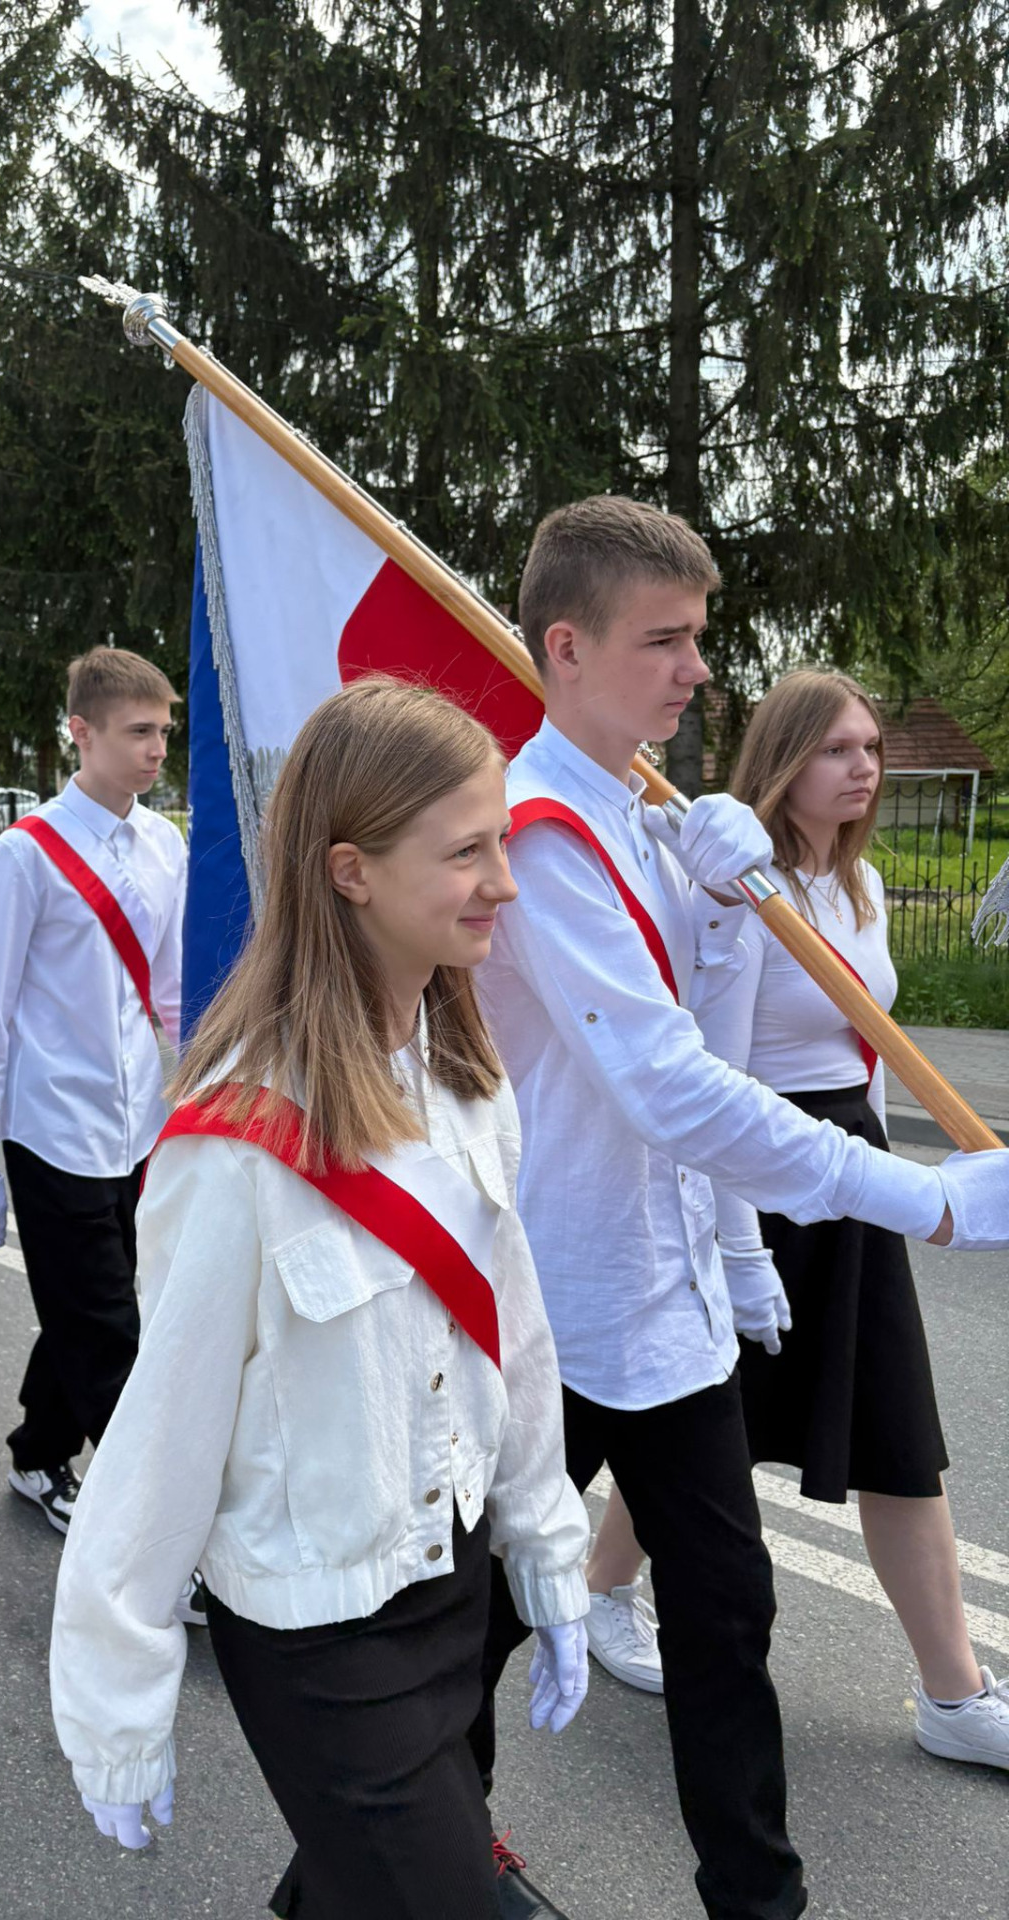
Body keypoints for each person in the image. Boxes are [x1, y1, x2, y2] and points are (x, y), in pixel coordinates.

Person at [474, 497, 1009, 1920]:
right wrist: (927, 1202)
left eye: (700, 638)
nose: (699, 671)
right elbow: (665, 1090)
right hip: (555, 1299)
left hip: (664, 1303)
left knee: (726, 1615)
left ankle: (756, 1903)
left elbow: (707, 1044)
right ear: (568, 647)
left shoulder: (640, 823)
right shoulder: (534, 840)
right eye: (668, 641)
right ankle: (386, 1868)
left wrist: (713, 913)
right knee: (468, 1628)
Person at [50, 679, 591, 1920]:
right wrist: (116, 1694)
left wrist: (547, 1547)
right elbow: (164, 1430)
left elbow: (512, 1335)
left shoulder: (464, 1076)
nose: (504, 880)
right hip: (324, 1634)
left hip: (452, 1585)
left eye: (498, 841)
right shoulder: (239, 1138)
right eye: (467, 851)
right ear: (351, 871)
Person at [694, 667, 1007, 1766]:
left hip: (854, 1183)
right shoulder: (745, 889)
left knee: (895, 1439)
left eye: (871, 747)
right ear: (783, 761)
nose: (864, 767)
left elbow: (862, 1067)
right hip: (764, 1185)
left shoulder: (856, 890)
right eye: (837, 749)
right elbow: (717, 1090)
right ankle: (594, 1590)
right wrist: (735, 1249)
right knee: (698, 1430)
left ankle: (953, 1695)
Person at [0, 646, 186, 1535]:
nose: (156, 749)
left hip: (140, 1126)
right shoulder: (24, 857)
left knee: (93, 1306)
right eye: (137, 732)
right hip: (51, 1129)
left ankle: (39, 1451)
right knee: (111, 1330)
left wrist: (201, 1090)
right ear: (80, 733)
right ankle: (155, 1533)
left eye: (163, 731)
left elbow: (167, 992)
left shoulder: (164, 845)